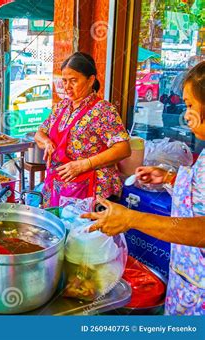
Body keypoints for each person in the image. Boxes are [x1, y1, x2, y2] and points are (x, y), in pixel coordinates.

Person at [83, 61, 205, 316]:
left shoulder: (103, 111)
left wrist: (132, 219)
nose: (186, 114)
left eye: (191, 105)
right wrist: (170, 178)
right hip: (187, 279)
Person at [34, 52, 131, 207]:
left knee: (82, 230)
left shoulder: (102, 110)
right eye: (64, 81)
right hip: (58, 186)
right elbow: (39, 133)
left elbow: (123, 149)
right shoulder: (61, 107)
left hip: (92, 189)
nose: (67, 87)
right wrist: (46, 142)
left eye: (73, 81)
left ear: (91, 80)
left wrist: (83, 165)